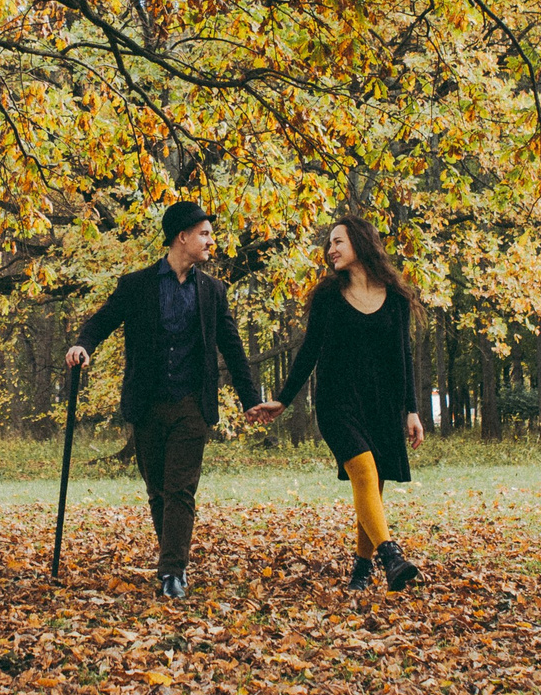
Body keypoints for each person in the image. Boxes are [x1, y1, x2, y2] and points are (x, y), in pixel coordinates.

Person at [67, 201, 273, 598]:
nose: (211, 241)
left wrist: (251, 400)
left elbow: (232, 348)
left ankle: (172, 572)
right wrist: (82, 344)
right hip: (146, 404)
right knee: (158, 490)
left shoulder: (213, 291)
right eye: (205, 233)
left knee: (181, 488)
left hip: (191, 405)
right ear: (182, 236)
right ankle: (171, 558)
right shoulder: (136, 285)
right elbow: (104, 319)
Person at [273, 216, 424, 591]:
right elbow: (309, 351)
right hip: (337, 400)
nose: (331, 250)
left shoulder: (396, 297)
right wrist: (283, 400)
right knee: (364, 472)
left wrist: (412, 409)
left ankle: (363, 566)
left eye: (337, 242)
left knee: (371, 485)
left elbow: (402, 356)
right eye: (329, 244)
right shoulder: (327, 296)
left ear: (359, 242)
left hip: (383, 402)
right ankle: (391, 555)